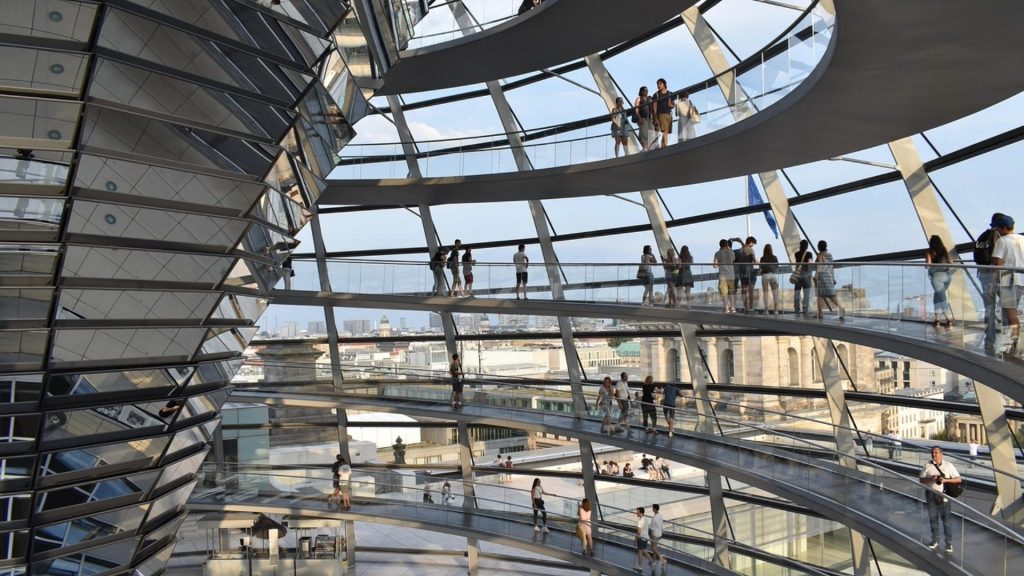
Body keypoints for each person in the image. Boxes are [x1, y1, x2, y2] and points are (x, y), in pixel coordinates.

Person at [991, 214, 1024, 354]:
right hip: (1021, 280)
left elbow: (996, 263)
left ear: (1004, 228)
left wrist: (993, 282)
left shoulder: (1002, 241)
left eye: (997, 228)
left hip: (1008, 281)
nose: (996, 231)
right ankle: (1013, 342)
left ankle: (1014, 344)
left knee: (1010, 314)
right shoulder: (1022, 239)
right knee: (1012, 312)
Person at [919, 447, 961, 554]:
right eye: (932, 453)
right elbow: (921, 479)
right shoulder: (927, 465)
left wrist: (946, 480)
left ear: (941, 454)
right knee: (933, 519)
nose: (934, 455)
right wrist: (931, 479)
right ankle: (935, 540)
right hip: (930, 494)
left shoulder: (948, 465)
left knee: (946, 520)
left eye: (936, 453)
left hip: (943, 495)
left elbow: (958, 479)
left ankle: (949, 543)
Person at [975, 213, 1004, 350]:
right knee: (1007, 307)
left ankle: (989, 340)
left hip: (984, 274)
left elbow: (978, 257)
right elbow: (1000, 258)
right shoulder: (999, 237)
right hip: (997, 275)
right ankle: (1007, 340)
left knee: (989, 309)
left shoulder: (982, 236)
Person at [926, 235, 954, 328]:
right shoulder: (944, 250)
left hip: (937, 277)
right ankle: (937, 319)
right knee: (938, 296)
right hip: (948, 276)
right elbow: (951, 262)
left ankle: (948, 320)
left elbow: (928, 265)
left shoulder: (930, 252)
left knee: (942, 299)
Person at [815, 240, 844, 319]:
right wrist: (832, 278)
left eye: (818, 245)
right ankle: (841, 308)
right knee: (831, 295)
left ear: (820, 246)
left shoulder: (820, 255)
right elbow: (831, 267)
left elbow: (820, 267)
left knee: (820, 295)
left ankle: (820, 313)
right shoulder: (830, 255)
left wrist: (816, 277)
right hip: (829, 277)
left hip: (821, 277)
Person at [736, 236, 758, 313]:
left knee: (744, 291)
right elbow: (754, 261)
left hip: (742, 274)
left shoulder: (739, 251)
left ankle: (746, 308)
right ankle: (751, 309)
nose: (753, 245)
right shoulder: (750, 250)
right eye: (753, 244)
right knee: (751, 292)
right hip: (750, 273)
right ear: (751, 242)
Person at [714, 239, 736, 313]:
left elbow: (715, 265)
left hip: (722, 275)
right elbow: (733, 260)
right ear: (727, 245)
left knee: (724, 293)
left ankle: (726, 308)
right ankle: (733, 308)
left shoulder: (717, 253)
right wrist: (729, 249)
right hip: (731, 275)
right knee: (731, 292)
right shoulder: (731, 252)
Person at [793, 239, 813, 314]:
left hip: (798, 275)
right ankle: (805, 309)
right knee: (806, 293)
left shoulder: (796, 254)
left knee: (797, 292)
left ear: (800, 246)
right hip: (806, 276)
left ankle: (796, 308)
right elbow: (810, 262)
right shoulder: (809, 254)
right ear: (807, 246)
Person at [653, 78, 675, 149]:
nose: (658, 85)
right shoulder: (656, 94)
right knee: (665, 130)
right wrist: (655, 118)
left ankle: (663, 146)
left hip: (669, 114)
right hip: (661, 114)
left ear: (664, 84)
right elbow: (654, 107)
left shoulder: (670, 93)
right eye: (658, 84)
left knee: (666, 131)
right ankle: (665, 146)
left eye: (660, 84)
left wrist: (672, 105)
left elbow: (672, 105)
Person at [760, 244, 780, 314]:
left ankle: (766, 310)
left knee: (765, 293)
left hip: (765, 275)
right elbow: (777, 267)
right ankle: (776, 310)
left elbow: (761, 268)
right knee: (775, 293)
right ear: (771, 250)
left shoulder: (762, 258)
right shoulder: (774, 257)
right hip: (773, 275)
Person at [634, 86, 655, 151]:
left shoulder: (649, 98)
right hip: (643, 118)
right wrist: (639, 118)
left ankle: (650, 146)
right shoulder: (639, 98)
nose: (646, 92)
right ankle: (645, 147)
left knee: (652, 131)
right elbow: (636, 109)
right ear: (641, 91)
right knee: (643, 133)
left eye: (647, 90)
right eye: (645, 90)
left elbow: (653, 107)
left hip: (650, 118)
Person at [649, 503, 667, 572]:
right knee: (654, 548)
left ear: (655, 509)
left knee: (653, 548)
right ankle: (653, 562)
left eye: (653, 508)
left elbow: (652, 528)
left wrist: (651, 536)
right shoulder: (661, 516)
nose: (652, 509)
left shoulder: (654, 518)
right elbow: (661, 524)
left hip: (655, 534)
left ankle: (662, 559)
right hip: (659, 534)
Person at [634, 507, 652, 572]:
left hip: (641, 538)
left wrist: (636, 538)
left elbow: (639, 532)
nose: (636, 513)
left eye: (637, 512)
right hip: (646, 537)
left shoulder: (640, 521)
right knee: (644, 550)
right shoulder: (646, 518)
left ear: (641, 513)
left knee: (640, 552)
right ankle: (652, 561)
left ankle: (640, 566)